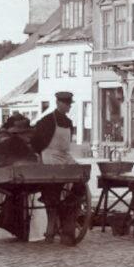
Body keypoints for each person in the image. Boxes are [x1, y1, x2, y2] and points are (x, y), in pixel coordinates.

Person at [31, 91, 87, 244]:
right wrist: (38, 154)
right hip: (50, 155)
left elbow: (67, 145)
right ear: (58, 103)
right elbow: (36, 141)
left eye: (69, 104)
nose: (69, 106)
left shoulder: (69, 122)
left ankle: (68, 203)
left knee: (80, 174)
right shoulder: (47, 121)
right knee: (53, 184)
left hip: (64, 155)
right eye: (66, 104)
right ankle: (52, 225)